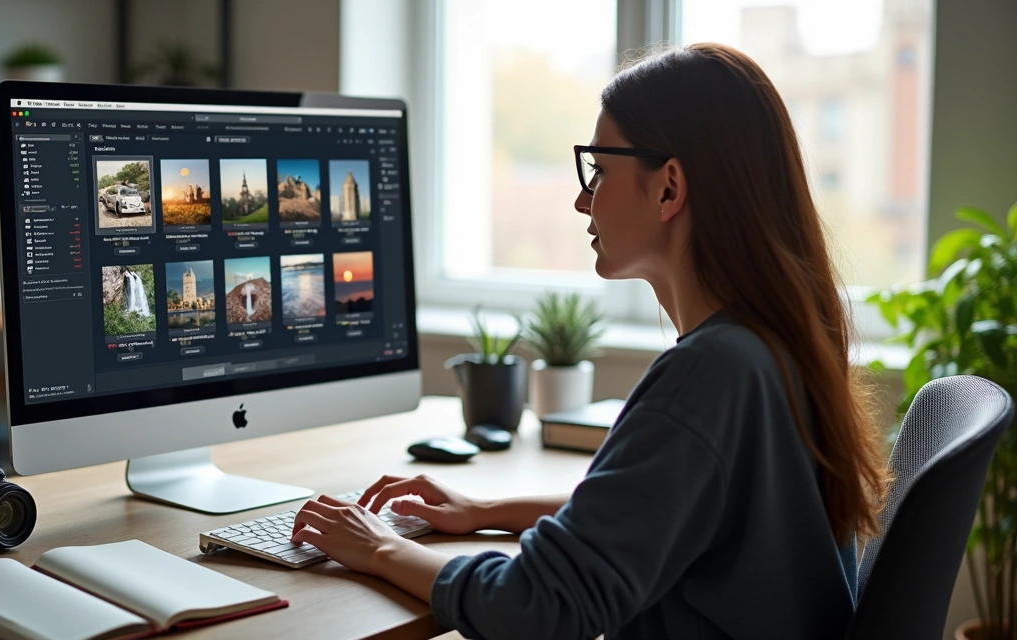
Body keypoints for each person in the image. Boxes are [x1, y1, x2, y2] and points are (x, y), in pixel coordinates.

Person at [291, 42, 891, 639]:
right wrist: (485, 511)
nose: (583, 198)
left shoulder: (711, 374)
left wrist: (378, 548)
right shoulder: (773, 346)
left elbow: (538, 607)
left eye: (599, 171)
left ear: (668, 188)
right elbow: (652, 514)